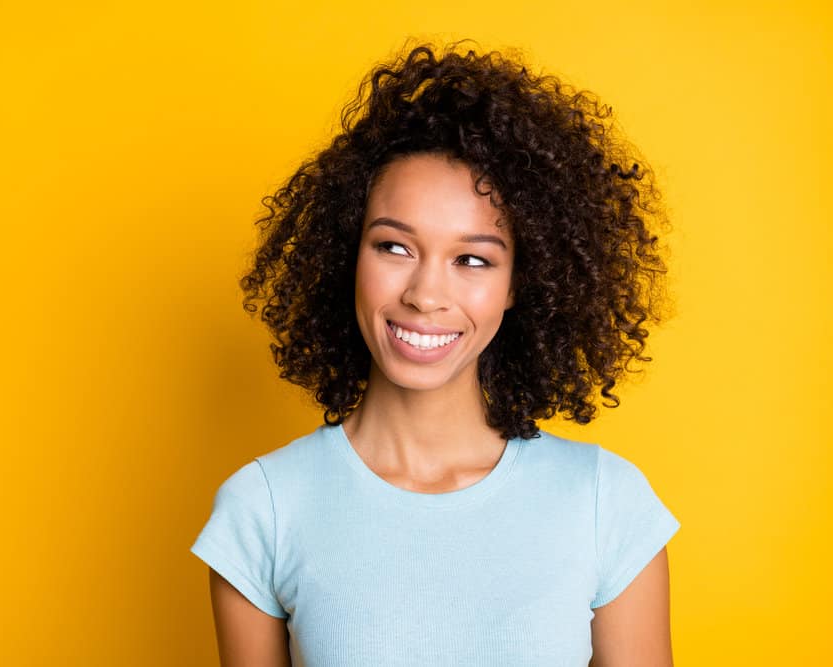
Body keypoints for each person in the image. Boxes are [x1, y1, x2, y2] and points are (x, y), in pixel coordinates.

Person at [192, 41, 680, 666]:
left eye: (472, 260)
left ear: (519, 285)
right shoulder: (264, 507)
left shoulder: (602, 503)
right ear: (348, 255)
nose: (425, 294)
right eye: (394, 247)